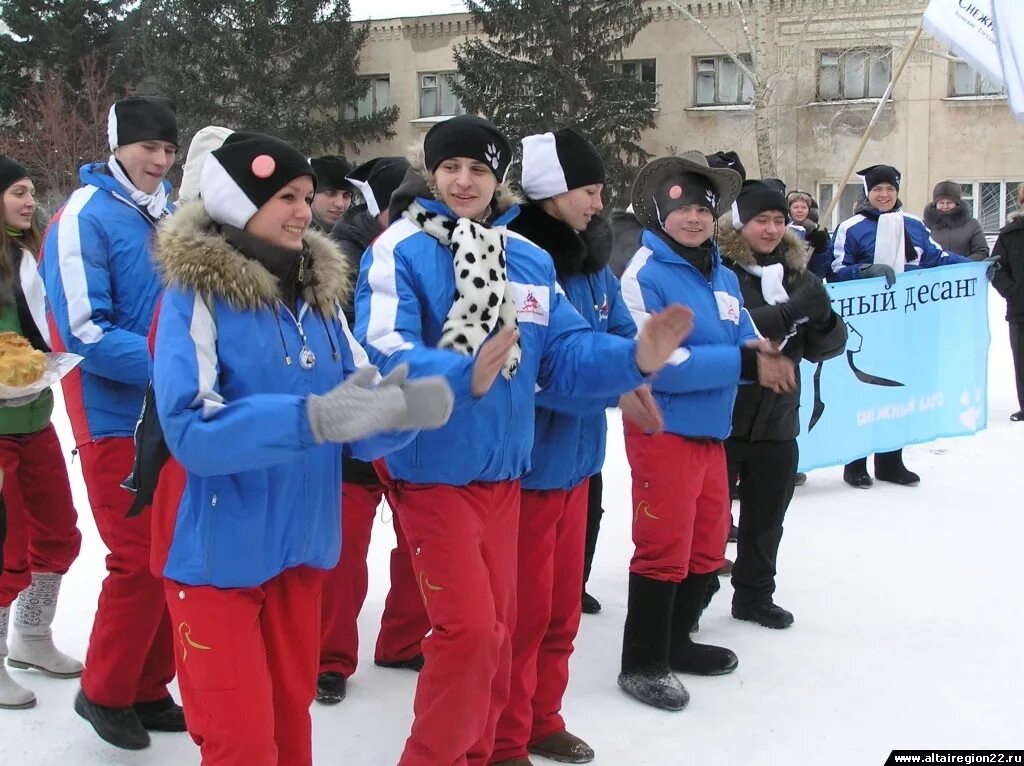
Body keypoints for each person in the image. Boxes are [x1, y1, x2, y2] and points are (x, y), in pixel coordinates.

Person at [355, 114, 693, 766]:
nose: (462, 181)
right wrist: (460, 370)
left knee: (504, 629)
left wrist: (632, 361)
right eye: (450, 168)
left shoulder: (529, 259)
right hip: (432, 467)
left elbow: (563, 354)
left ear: (496, 179)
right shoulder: (402, 248)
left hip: (506, 471)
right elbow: (382, 349)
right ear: (433, 173)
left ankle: (483, 751)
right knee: (469, 632)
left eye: (477, 170)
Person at [149, 133, 453, 766]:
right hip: (219, 561)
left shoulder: (320, 298)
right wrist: (310, 416)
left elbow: (356, 412)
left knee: (291, 734)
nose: (302, 212)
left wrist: (402, 413)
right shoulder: (195, 295)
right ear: (237, 202)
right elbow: (191, 431)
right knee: (244, 744)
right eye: (285, 197)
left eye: (307, 197)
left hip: (299, 554)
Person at [488, 128, 660, 766]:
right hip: (529, 468)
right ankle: (504, 735)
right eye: (590, 190)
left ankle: (542, 716)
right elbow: (534, 371)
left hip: (580, 464)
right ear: (553, 190)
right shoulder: (511, 255)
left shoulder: (591, 257)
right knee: (523, 614)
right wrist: (612, 387)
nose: (598, 202)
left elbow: (615, 329)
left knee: (561, 609)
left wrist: (628, 373)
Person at [617, 152, 796, 711]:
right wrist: (745, 365)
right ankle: (643, 661)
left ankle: (677, 640)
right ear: (659, 210)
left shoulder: (717, 270)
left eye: (703, 208)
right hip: (662, 430)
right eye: (683, 208)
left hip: (710, 432)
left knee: (706, 542)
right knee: (663, 546)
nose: (693, 218)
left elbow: (741, 332)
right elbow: (658, 361)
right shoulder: (644, 272)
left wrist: (765, 349)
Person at [39, 96, 186, 748]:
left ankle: (147, 687)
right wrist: (179, 363)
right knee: (135, 556)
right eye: (147, 147)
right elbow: (81, 331)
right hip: (112, 414)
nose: (158, 160)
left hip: (173, 409)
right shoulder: (83, 218)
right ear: (116, 146)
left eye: (167, 148)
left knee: (168, 552)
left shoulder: (173, 214)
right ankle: (103, 692)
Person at [317, 155, 430, 706]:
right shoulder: (338, 254)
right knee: (345, 545)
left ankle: (405, 639)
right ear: (382, 207)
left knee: (418, 541)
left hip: (411, 420)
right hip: (359, 422)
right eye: (405, 207)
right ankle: (328, 658)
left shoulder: (430, 249)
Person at [716, 180, 847, 629]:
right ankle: (689, 599)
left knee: (766, 520)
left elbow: (823, 348)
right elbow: (731, 331)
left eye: (778, 220)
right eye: (760, 221)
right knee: (708, 524)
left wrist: (825, 317)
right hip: (724, 420)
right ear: (740, 225)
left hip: (777, 420)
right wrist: (789, 313)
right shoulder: (720, 273)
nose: (771, 229)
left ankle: (754, 595)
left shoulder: (799, 276)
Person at [0, 156, 83, 709]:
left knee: (57, 532)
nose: (30, 202)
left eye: (31, 191)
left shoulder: (29, 254)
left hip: (33, 415)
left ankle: (31, 636)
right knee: (4, 546)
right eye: (17, 192)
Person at [829, 164, 969, 488]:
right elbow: (835, 269)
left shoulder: (914, 224)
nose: (884, 195)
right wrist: (864, 271)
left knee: (898, 387)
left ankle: (891, 461)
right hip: (867, 323)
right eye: (878, 189)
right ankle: (856, 462)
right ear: (867, 192)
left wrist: (974, 268)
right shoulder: (851, 227)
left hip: (907, 323)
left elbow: (937, 257)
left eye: (889, 189)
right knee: (864, 389)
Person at [991, 183, 1024, 422]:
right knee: (1022, 358)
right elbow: (998, 268)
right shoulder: (1010, 234)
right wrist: (1012, 291)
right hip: (1021, 308)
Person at [923, 181, 989, 261]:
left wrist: (962, 263)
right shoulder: (923, 226)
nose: (945, 206)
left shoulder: (972, 224)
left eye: (949, 202)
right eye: (941, 202)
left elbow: (982, 252)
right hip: (932, 272)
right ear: (935, 204)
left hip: (964, 271)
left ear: (957, 203)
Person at [787, 190, 831, 279]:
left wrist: (820, 249)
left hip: (811, 280)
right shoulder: (784, 230)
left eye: (803, 207)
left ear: (809, 210)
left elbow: (825, 266)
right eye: (795, 207)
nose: (800, 211)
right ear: (789, 210)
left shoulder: (818, 231)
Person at [310, 154, 354, 231]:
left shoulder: (362, 234)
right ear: (311, 194)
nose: (340, 204)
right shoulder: (289, 237)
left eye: (346, 195)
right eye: (332, 193)